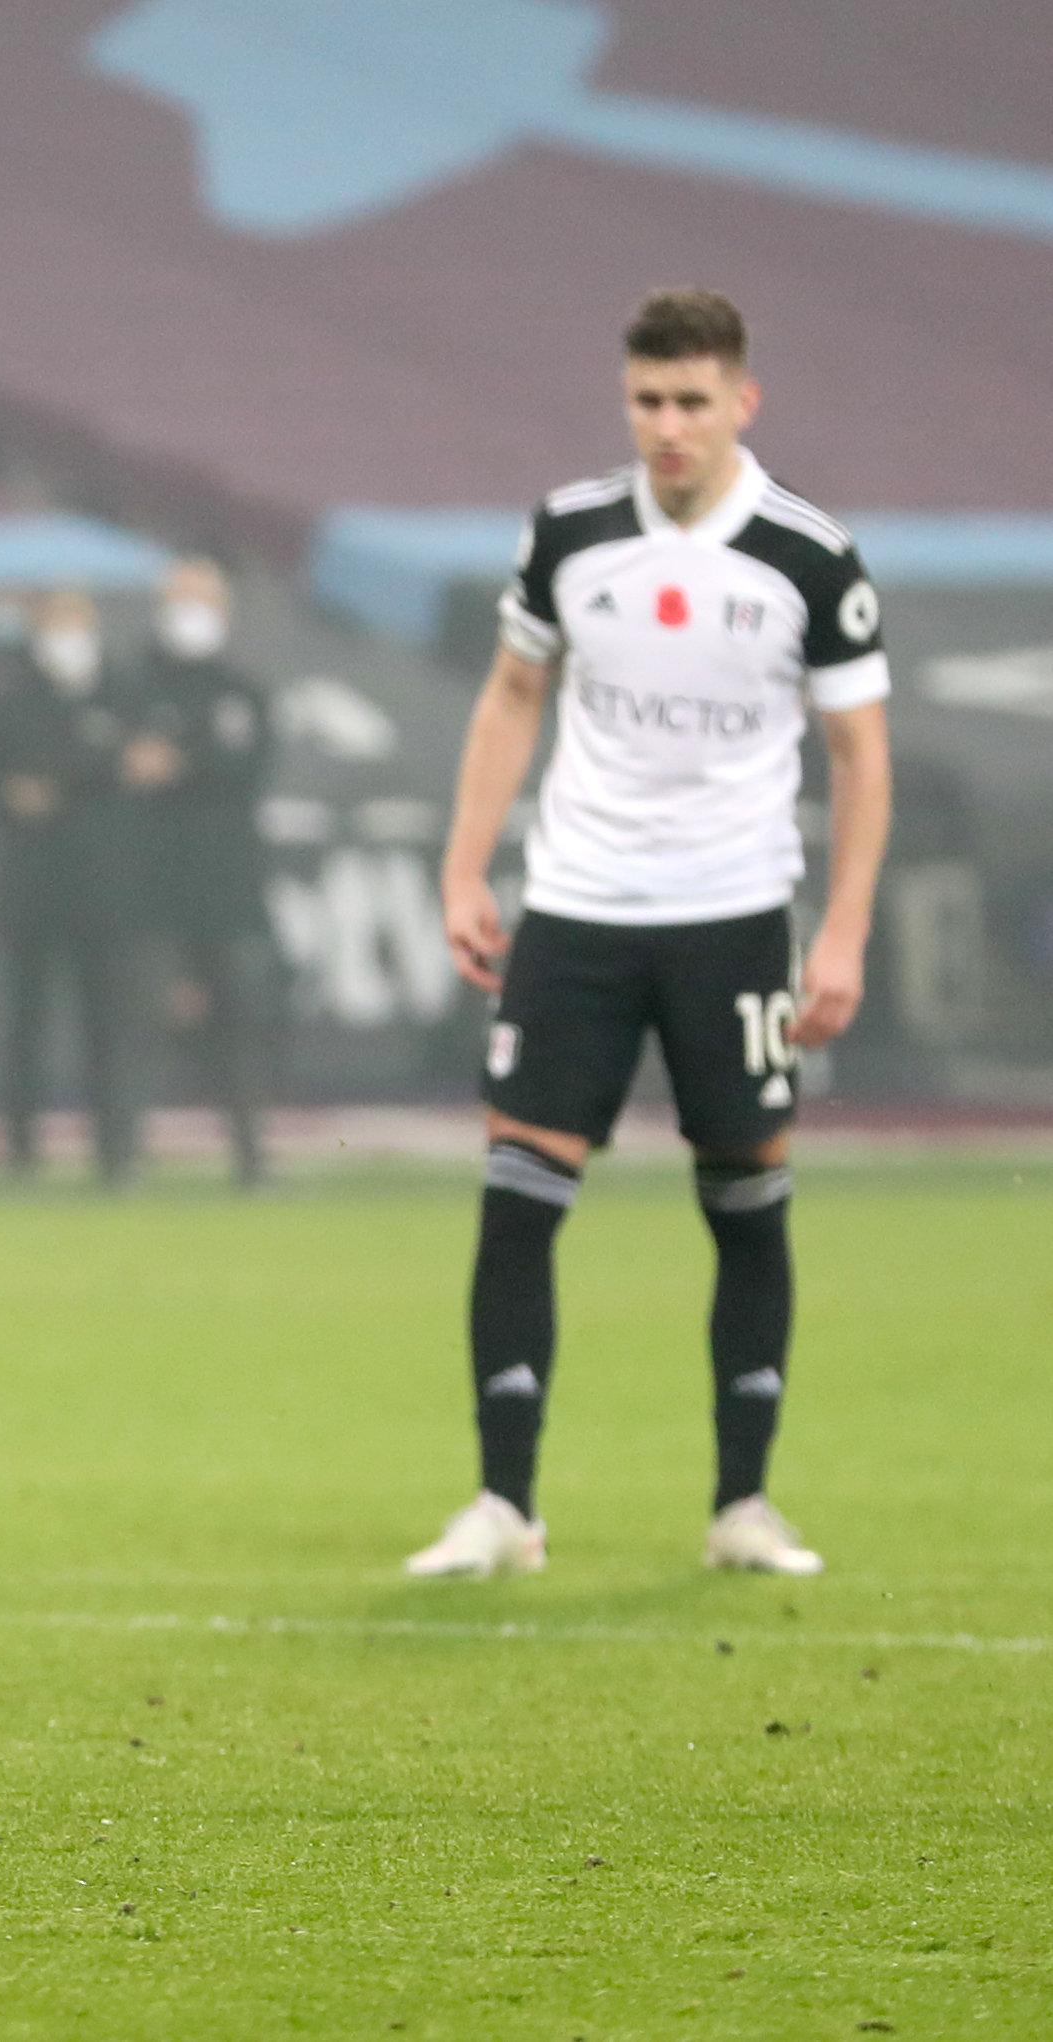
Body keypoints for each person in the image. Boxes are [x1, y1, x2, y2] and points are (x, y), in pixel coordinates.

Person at [407, 289, 889, 1581]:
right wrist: (464, 866)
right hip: (575, 909)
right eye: (644, 401)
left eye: (688, 401)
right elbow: (512, 693)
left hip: (731, 916)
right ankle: (501, 1503)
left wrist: (836, 931)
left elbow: (856, 750)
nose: (665, 425)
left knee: (742, 1204)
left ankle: (741, 1501)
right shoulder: (566, 534)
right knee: (515, 1201)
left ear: (740, 401)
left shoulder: (804, 555)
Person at [0, 586, 144, 1185]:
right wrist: (10, 792)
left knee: (109, 1023)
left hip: (106, 882)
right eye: (56, 622)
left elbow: (142, 767)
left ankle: (116, 1154)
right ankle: (22, 1151)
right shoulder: (7, 693)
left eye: (76, 620)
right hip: (30, 880)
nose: (67, 633)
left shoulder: (123, 689)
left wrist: (63, 778)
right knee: (25, 1023)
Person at [118, 557, 278, 1187]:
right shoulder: (131, 685)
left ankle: (251, 1159)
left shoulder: (242, 690)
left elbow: (247, 769)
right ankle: (122, 1157)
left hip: (228, 884)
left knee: (240, 1021)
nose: (194, 615)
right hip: (150, 883)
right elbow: (119, 764)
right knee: (142, 1020)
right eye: (184, 600)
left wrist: (178, 765)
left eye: (205, 601)